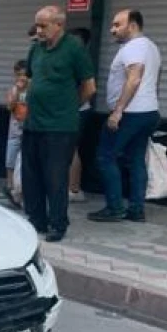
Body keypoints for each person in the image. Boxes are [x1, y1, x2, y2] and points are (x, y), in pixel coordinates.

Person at [23, 6, 96, 242]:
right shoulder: (36, 49)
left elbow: (89, 87)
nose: (39, 30)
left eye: (44, 26)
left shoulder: (74, 48)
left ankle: (57, 223)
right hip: (33, 122)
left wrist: (68, 108)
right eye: (37, 25)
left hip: (60, 126)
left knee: (55, 176)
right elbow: (30, 80)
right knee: (31, 175)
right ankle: (36, 219)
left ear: (59, 25)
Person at [89, 9, 161, 223]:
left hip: (130, 113)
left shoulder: (134, 47)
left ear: (132, 25)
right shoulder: (152, 47)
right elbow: (156, 81)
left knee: (105, 156)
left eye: (117, 25)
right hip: (148, 112)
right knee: (136, 159)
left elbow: (134, 79)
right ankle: (136, 209)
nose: (112, 30)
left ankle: (115, 207)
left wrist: (118, 110)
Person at [67, 26, 94, 202]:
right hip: (73, 110)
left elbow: (89, 89)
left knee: (72, 149)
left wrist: (74, 106)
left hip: (77, 111)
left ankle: (74, 189)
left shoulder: (81, 61)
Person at [2, 60, 30, 206]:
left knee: (24, 162)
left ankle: (21, 191)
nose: (22, 78)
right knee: (10, 160)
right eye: (18, 75)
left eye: (25, 75)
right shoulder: (14, 90)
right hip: (14, 131)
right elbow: (9, 106)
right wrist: (17, 93)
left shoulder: (32, 91)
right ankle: (10, 187)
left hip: (27, 131)